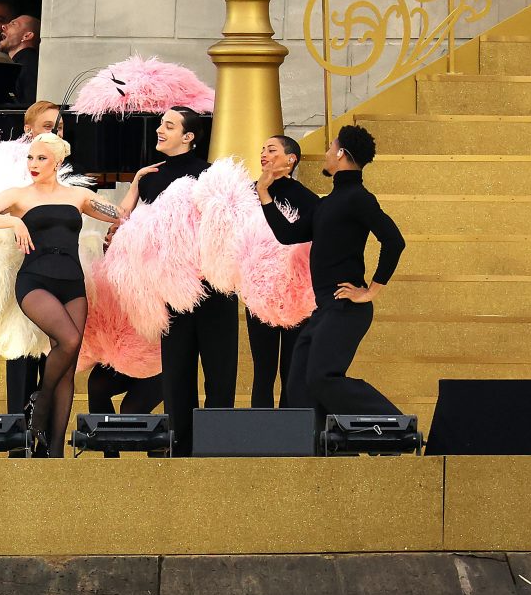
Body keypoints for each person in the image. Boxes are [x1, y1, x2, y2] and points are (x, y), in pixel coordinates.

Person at [0, 133, 125, 458]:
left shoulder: (78, 196)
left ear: (57, 161)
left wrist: (136, 182)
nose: (33, 164)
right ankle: (39, 407)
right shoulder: (19, 195)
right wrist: (12, 220)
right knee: (69, 341)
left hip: (72, 282)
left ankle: (54, 451)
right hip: (35, 280)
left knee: (68, 365)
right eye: (30, 158)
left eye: (41, 158)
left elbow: (121, 216)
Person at [257, 124, 406, 428]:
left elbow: (394, 240)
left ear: (340, 154)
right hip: (325, 309)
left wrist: (370, 291)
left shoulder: (358, 198)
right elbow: (289, 235)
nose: (325, 154)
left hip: (346, 308)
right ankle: (327, 448)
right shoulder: (328, 203)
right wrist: (264, 194)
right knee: (299, 386)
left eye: (329, 148)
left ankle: (396, 426)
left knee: (322, 378)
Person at [120, 107, 237, 456]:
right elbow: (125, 224)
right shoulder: (151, 177)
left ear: (188, 137)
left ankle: (218, 446)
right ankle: (181, 448)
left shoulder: (211, 174)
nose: (159, 130)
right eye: (161, 124)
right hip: (172, 292)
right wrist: (136, 181)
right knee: (177, 375)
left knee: (220, 373)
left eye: (168, 126)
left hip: (214, 289)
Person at [247, 135, 320, 408]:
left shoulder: (306, 198)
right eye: (262, 149)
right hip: (259, 292)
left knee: (292, 368)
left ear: (291, 159)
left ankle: (292, 438)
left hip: (296, 293)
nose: (264, 154)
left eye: (272, 150)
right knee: (262, 371)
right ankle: (259, 438)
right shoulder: (245, 193)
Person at [4, 101, 64, 424]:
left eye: (59, 128)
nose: (54, 133)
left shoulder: (71, 179)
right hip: (26, 273)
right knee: (23, 354)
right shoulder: (15, 173)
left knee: (59, 351)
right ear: (28, 131)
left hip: (64, 275)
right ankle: (20, 433)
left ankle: (48, 431)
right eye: (47, 127)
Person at [0, 15, 40, 105]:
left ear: (27, 36)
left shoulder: (27, 65)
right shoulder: (21, 63)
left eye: (13, 24)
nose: (3, 26)